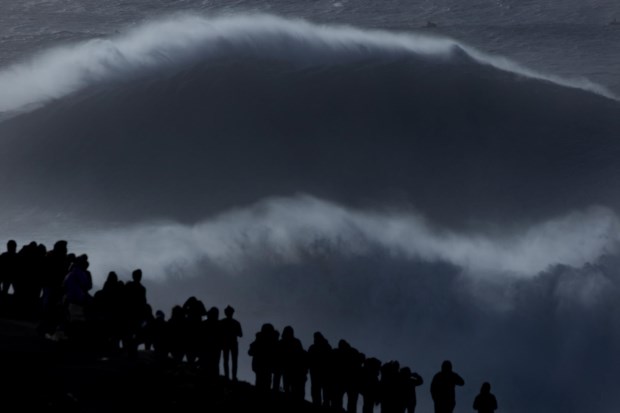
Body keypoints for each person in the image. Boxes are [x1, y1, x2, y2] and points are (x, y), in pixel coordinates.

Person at [220, 305, 243, 381]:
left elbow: (240, 334)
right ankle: (231, 376)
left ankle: (230, 376)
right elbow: (240, 334)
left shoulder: (223, 322)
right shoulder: (235, 322)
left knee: (230, 360)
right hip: (229, 343)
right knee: (231, 360)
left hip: (230, 343)